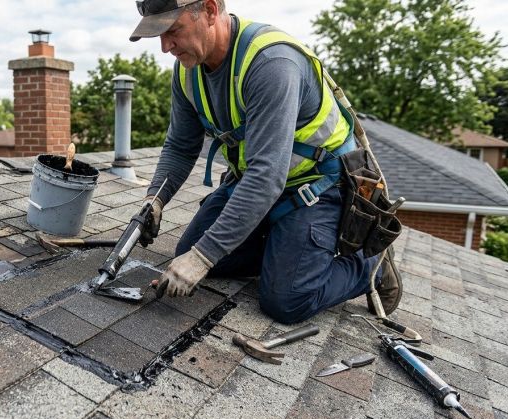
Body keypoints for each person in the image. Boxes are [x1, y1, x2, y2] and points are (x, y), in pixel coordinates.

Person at [129, 0, 402, 323]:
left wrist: (203, 256)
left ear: (211, 10)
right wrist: (154, 200)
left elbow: (266, 175)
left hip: (317, 188)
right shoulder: (189, 72)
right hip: (256, 184)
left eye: (173, 31)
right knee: (186, 253)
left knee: (285, 300)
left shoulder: (272, 63)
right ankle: (284, 248)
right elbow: (179, 146)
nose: (165, 47)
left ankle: (369, 263)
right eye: (158, 35)